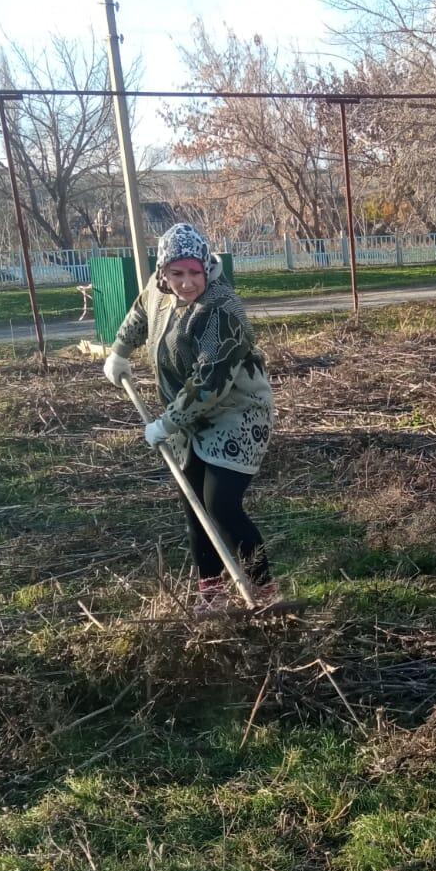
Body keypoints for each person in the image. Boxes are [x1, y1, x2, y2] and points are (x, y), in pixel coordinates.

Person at [102, 224, 278, 610]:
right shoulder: (158, 287)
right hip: (187, 416)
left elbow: (210, 382)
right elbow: (139, 312)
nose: (186, 283)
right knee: (192, 502)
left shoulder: (221, 310)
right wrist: (120, 351)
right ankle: (211, 594)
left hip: (236, 413)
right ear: (163, 271)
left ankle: (264, 591)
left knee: (220, 504)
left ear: (206, 267)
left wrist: (165, 423)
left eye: (194, 273)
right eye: (176, 273)